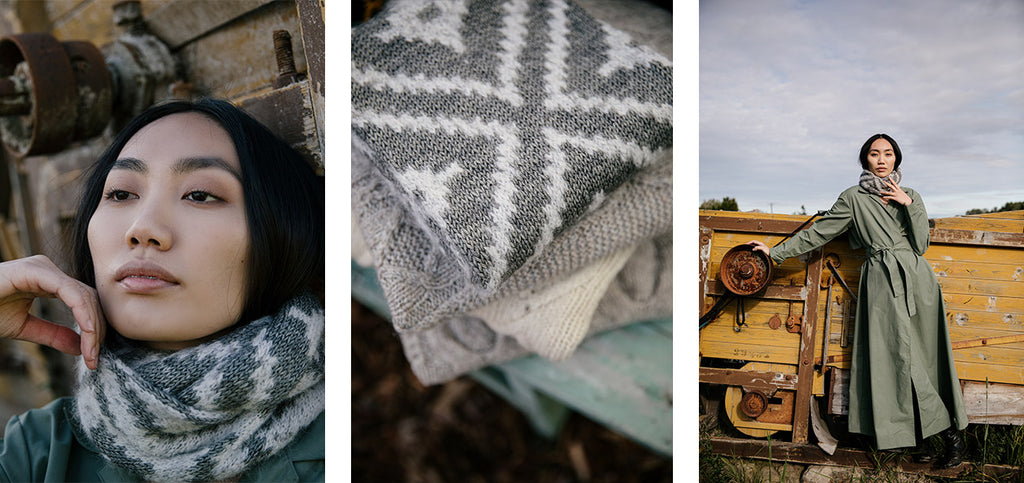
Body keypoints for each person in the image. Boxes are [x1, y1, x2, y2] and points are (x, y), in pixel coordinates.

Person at [0, 98, 325, 481]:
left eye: (200, 195)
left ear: (279, 235)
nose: (142, 228)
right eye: (121, 194)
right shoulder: (38, 453)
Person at [748, 133, 967, 468]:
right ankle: (930, 437)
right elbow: (817, 233)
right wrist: (774, 254)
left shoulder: (912, 195)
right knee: (897, 360)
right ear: (865, 159)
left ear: (897, 159)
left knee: (925, 358)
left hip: (918, 281)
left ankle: (949, 437)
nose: (882, 160)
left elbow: (921, 244)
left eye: (888, 154)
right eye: (874, 154)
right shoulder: (852, 198)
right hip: (880, 282)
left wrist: (909, 206)